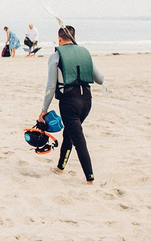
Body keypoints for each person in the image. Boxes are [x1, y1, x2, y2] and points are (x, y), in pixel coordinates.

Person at [38, 26, 104, 184]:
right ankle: (60, 167)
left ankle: (90, 178)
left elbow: (51, 86)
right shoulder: (85, 53)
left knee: (78, 139)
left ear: (59, 39)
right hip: (87, 101)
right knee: (70, 133)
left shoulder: (55, 56)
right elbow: (100, 79)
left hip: (69, 102)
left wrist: (44, 110)